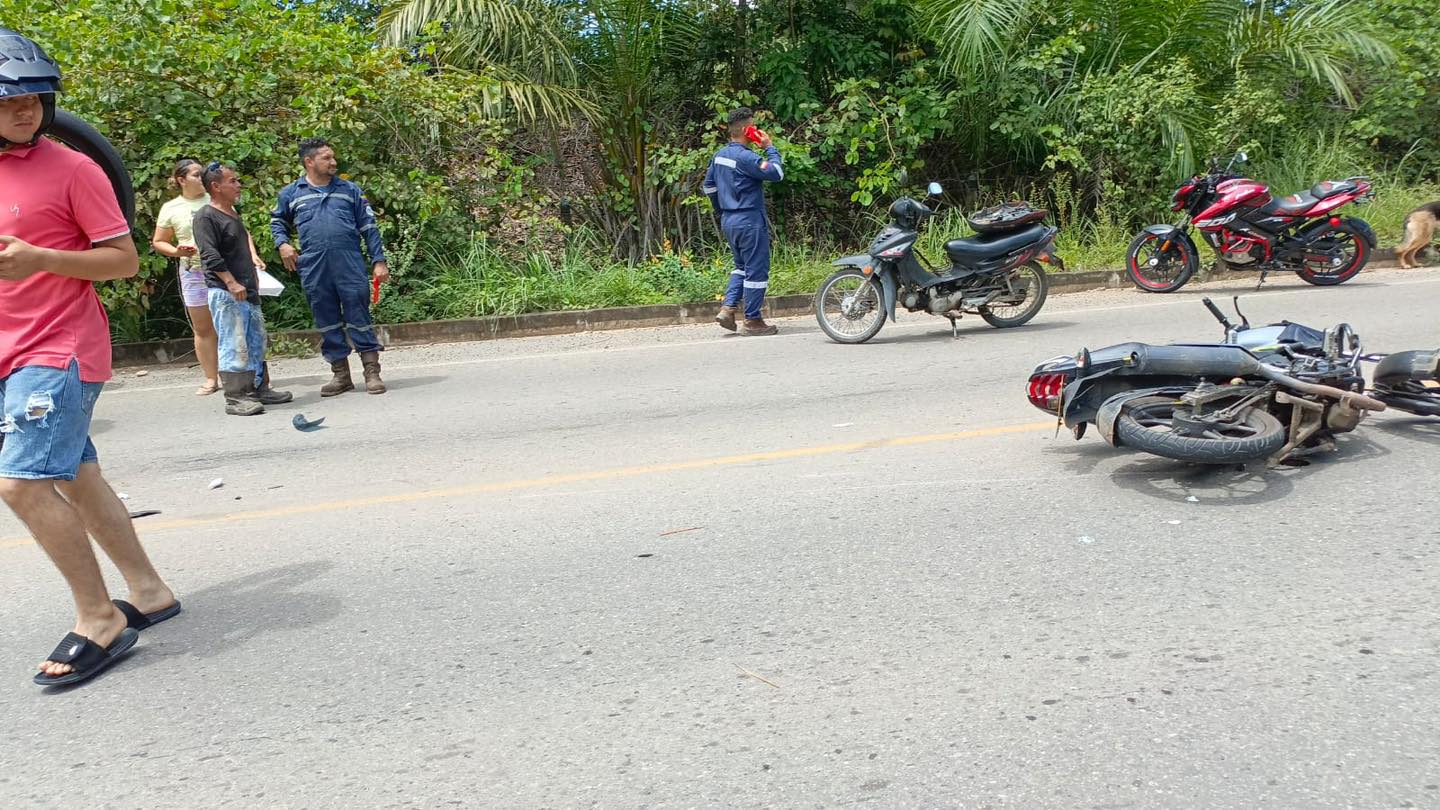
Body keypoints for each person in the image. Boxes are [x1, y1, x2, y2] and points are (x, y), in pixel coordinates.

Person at [0, 27, 178, 687]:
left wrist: (43, 259)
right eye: (8, 99)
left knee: (20, 483)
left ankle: (99, 618)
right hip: (9, 353)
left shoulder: (73, 169)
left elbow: (124, 260)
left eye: (36, 96)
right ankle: (149, 591)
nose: (26, 109)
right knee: (77, 476)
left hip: (59, 350)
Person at [270, 137, 390, 396]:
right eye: (327, 158)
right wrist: (283, 244)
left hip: (349, 262)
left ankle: (372, 372)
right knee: (326, 319)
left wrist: (379, 261)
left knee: (359, 316)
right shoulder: (291, 193)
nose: (333, 162)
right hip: (314, 265)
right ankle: (341, 375)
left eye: (333, 157)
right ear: (309, 161)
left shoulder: (350, 190)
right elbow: (277, 222)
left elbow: (369, 228)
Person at [192, 161, 292, 416]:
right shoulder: (206, 215)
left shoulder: (232, 213)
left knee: (255, 341)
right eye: (232, 181)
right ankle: (236, 397)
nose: (238, 185)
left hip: (247, 290)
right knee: (234, 343)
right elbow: (209, 255)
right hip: (227, 292)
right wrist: (230, 282)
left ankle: (259, 387)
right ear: (215, 186)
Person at [703, 107, 784, 336]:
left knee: (741, 267)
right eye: (755, 126)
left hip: (729, 219)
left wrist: (723, 210)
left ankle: (728, 309)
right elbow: (777, 173)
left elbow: (709, 187)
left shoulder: (719, 156)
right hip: (749, 219)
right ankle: (753, 320)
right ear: (748, 130)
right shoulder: (747, 157)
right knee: (756, 271)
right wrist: (769, 147)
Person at [152, 159, 221, 395]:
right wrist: (176, 251)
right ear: (181, 180)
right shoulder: (171, 207)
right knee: (203, 328)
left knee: (234, 322)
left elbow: (239, 230)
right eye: (195, 175)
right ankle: (211, 378)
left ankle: (245, 376)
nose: (201, 178)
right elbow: (159, 241)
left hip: (223, 269)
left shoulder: (216, 198)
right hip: (193, 271)